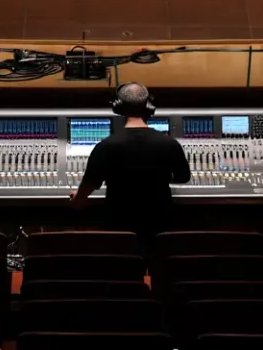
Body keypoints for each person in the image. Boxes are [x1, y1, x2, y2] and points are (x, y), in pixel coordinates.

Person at [69, 82, 191, 248]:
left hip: (120, 235)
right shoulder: (170, 144)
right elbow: (183, 177)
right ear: (149, 106)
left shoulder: (105, 146)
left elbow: (81, 198)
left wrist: (76, 197)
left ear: (118, 107)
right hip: (160, 233)